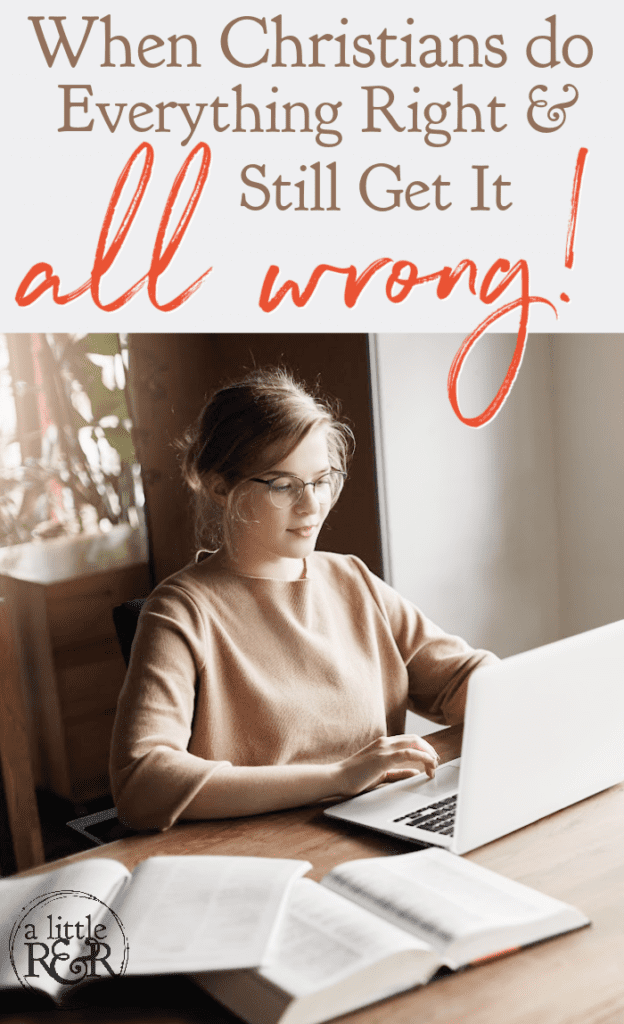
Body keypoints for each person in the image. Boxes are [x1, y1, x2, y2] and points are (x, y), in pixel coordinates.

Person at [110, 368, 497, 831]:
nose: (311, 504)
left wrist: (517, 688)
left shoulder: (353, 580)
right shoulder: (179, 612)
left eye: (321, 479)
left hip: (376, 830)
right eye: (283, 485)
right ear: (218, 486)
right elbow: (143, 780)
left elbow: (462, 678)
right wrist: (339, 777)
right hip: (262, 852)